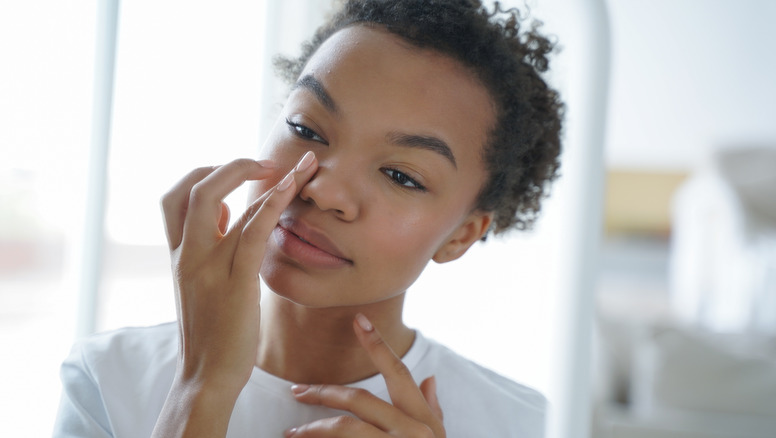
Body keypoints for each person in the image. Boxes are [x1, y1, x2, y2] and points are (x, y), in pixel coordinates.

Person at [54, 0, 563, 436]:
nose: (323, 190)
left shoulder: (525, 425)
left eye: (401, 175)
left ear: (461, 236)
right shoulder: (106, 379)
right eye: (306, 128)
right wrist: (201, 386)